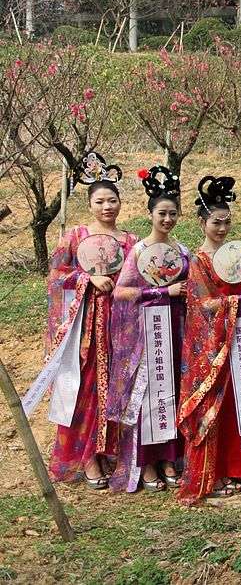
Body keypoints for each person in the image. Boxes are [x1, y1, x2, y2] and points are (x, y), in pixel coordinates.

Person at [42, 152, 137, 489]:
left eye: (112, 200)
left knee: (114, 385)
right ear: (89, 203)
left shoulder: (130, 241)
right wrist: (88, 279)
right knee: (83, 386)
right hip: (84, 327)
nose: (107, 207)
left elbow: (139, 280)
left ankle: (109, 451)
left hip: (119, 325)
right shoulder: (75, 236)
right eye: (100, 201)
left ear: (120, 202)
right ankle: (85, 457)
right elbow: (55, 277)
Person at [177, 175, 241, 504]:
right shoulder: (197, 262)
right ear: (202, 222)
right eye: (216, 222)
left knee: (236, 402)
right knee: (214, 408)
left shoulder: (234, 255)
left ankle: (237, 469)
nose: (222, 229)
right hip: (211, 348)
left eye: (227, 222)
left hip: (236, 339)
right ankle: (211, 474)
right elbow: (202, 306)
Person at [107, 166, 188, 493]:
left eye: (173, 214)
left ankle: (169, 457)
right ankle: (147, 461)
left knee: (172, 391)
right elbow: (121, 292)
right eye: (162, 213)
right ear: (150, 214)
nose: (167, 219)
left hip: (174, 331)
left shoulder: (181, 251)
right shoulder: (139, 252)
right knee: (148, 396)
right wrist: (159, 293)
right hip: (145, 335)